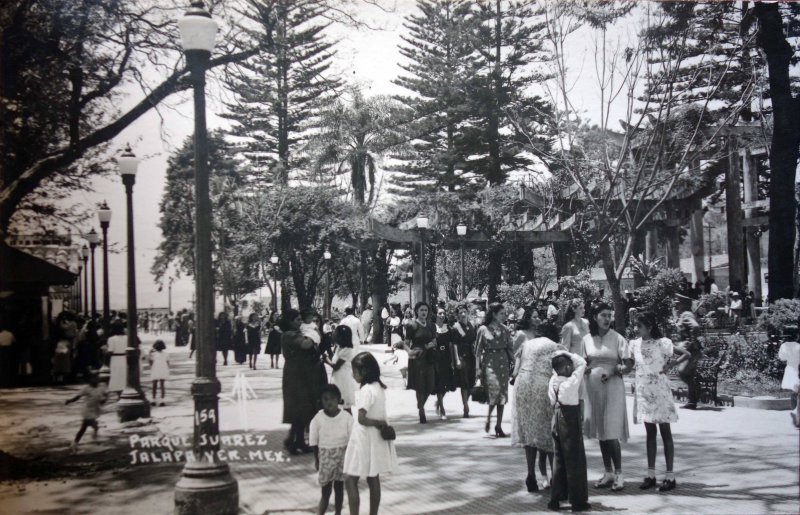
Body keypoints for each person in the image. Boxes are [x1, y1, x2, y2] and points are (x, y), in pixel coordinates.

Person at [629, 312, 684, 492]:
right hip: (644, 393)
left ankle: (670, 475)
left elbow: (687, 353)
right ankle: (651, 475)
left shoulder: (663, 343)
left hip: (660, 393)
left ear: (650, 327)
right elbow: (630, 364)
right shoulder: (634, 344)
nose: (636, 329)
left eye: (640, 326)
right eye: (635, 325)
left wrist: (670, 365)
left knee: (665, 432)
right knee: (650, 432)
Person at [582, 302, 632, 491]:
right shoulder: (587, 339)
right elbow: (582, 362)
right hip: (593, 389)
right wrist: (585, 369)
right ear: (595, 317)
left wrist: (614, 370)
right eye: (603, 315)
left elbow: (628, 365)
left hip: (613, 388)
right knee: (601, 432)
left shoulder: (618, 338)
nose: (607, 319)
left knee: (611, 432)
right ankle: (608, 472)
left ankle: (619, 473)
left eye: (609, 315)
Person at [511, 312, 563, 492]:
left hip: (523, 386)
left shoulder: (527, 344)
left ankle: (531, 474)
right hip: (543, 386)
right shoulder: (556, 346)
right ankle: (555, 477)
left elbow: (516, 370)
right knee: (548, 432)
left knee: (528, 431)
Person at [343, 352, 397, 515]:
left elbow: (361, 418)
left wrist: (377, 423)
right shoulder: (379, 387)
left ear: (364, 371)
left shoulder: (366, 390)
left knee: (350, 479)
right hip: (376, 439)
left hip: (363, 439)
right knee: (373, 478)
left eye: (354, 371)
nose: (353, 375)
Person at [548, 351, 590, 512]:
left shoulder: (553, 380)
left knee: (558, 459)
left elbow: (556, 367)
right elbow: (581, 363)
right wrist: (566, 352)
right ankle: (578, 501)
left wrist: (558, 357)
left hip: (556, 416)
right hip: (569, 417)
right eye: (569, 366)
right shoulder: (571, 381)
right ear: (566, 368)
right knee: (575, 459)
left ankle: (555, 498)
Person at [281, 308, 325, 454]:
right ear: (289, 322)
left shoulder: (298, 333)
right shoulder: (289, 335)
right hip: (295, 375)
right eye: (297, 320)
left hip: (303, 374)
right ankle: (292, 441)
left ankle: (298, 441)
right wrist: (315, 336)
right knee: (297, 408)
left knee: (304, 409)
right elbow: (305, 345)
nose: (301, 322)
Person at [310, 384, 353, 515]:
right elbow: (313, 441)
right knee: (326, 491)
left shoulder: (346, 417)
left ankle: (338, 512)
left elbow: (353, 439)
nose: (329, 402)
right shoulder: (318, 419)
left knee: (339, 489)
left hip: (342, 456)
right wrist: (316, 459)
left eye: (332, 399)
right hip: (325, 457)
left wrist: (352, 458)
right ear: (321, 401)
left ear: (339, 399)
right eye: (325, 399)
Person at [475, 302, 513, 437]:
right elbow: (478, 351)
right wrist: (477, 369)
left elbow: (510, 349)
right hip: (489, 363)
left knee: (502, 395)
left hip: (503, 363)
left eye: (504, 313)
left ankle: (498, 425)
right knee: (494, 393)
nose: (504, 316)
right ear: (494, 314)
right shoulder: (483, 330)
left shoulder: (506, 330)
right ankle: (489, 417)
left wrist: (514, 365)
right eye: (501, 313)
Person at [403, 302, 437, 424]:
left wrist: (431, 345)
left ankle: (420, 404)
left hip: (429, 357)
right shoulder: (412, 325)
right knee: (420, 385)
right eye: (421, 310)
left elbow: (434, 340)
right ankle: (422, 411)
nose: (424, 312)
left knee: (431, 384)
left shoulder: (431, 326)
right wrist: (410, 352)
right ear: (417, 311)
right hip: (417, 358)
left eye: (426, 310)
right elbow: (405, 343)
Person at [65, 371, 108, 453]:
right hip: (87, 411)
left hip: (94, 410)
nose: (96, 380)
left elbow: (101, 401)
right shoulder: (87, 388)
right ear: (90, 380)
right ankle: (94, 441)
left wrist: (105, 397)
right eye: (94, 378)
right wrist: (70, 400)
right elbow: (78, 397)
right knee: (93, 426)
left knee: (84, 428)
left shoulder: (100, 388)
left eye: (97, 378)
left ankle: (75, 443)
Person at [450, 306, 477, 418]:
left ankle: (466, 401)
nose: (463, 314)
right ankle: (465, 406)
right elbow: (454, 344)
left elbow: (475, 340)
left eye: (465, 312)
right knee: (464, 383)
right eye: (460, 313)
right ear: (457, 315)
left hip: (472, 356)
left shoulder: (471, 325)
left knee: (471, 382)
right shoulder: (456, 327)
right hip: (462, 356)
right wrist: (456, 359)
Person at [674, 312, 703, 409]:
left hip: (691, 352)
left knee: (682, 372)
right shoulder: (683, 316)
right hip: (692, 352)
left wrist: (692, 340)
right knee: (689, 375)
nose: (677, 305)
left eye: (678, 303)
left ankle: (696, 391)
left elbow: (695, 326)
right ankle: (692, 401)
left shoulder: (686, 315)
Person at [326, 326, 357, 411]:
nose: (333, 335)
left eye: (336, 334)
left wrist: (326, 359)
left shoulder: (348, 350)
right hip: (337, 378)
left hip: (343, 379)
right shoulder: (339, 347)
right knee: (337, 405)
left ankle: (349, 423)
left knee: (346, 406)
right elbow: (334, 358)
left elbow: (336, 365)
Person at [432, 307, 455, 420]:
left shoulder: (448, 329)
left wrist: (453, 360)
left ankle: (438, 402)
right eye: (440, 313)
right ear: (436, 315)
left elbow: (451, 346)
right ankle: (442, 409)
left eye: (443, 313)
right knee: (439, 384)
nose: (442, 315)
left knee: (447, 383)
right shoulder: (432, 328)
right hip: (437, 358)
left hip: (446, 357)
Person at [778, 327, 800, 428]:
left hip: (790, 369)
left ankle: (794, 412)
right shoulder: (798, 346)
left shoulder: (783, 346)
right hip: (798, 369)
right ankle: (797, 414)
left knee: (793, 394)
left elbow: (782, 358)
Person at [107, 321, 128, 394]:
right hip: (125, 358)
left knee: (116, 376)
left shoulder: (111, 339)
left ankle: (118, 393)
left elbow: (110, 351)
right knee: (124, 375)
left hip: (115, 359)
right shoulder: (127, 338)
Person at [149, 339, 170, 406]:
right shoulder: (166, 354)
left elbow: (151, 362)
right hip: (163, 369)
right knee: (162, 385)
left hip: (155, 368)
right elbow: (168, 363)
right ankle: (162, 400)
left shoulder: (153, 354)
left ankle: (153, 399)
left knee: (154, 385)